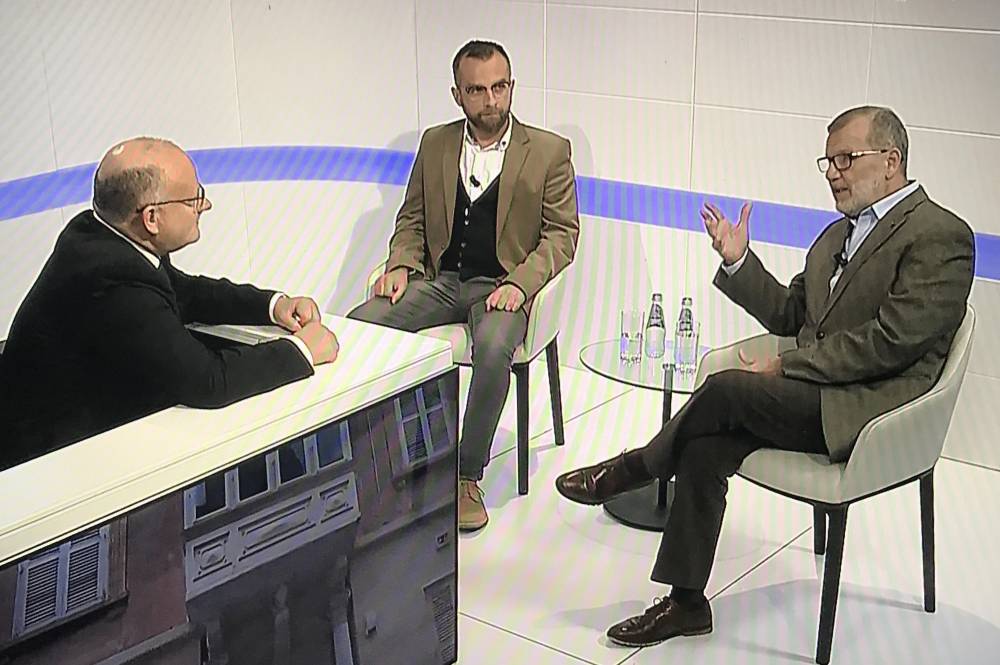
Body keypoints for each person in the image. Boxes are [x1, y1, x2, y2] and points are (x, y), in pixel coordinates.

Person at [555, 106, 974, 647]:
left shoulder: (940, 235)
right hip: (813, 395)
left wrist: (787, 365)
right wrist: (738, 260)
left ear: (891, 161)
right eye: (828, 162)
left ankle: (636, 467)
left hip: (872, 411)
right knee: (706, 448)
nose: (833, 173)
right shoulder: (833, 237)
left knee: (728, 388)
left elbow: (891, 343)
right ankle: (686, 604)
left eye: (846, 159)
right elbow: (790, 316)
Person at [349, 40, 579, 531]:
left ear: (512, 86)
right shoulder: (435, 143)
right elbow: (411, 218)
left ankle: (464, 477)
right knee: (359, 327)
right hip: (441, 280)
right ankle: (371, 465)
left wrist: (520, 284)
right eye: (477, 90)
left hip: (502, 286)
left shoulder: (547, 151)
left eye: (499, 87)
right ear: (458, 94)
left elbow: (562, 236)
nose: (490, 100)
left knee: (495, 346)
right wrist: (400, 264)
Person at [0, 138, 339, 471]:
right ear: (152, 218)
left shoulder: (98, 232)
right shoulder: (112, 279)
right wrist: (301, 350)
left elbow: (183, 292)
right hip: (49, 465)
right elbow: (208, 381)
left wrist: (271, 305)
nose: (205, 206)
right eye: (194, 198)